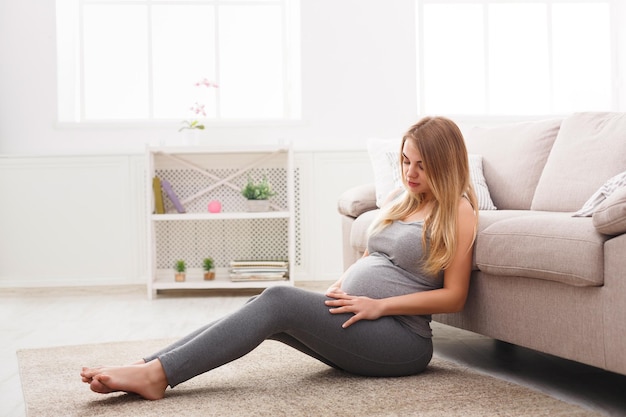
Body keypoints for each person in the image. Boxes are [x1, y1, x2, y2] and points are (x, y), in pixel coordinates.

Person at [80, 116, 478, 400]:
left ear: (445, 164)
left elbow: (454, 296)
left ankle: (157, 374)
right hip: (359, 319)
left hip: (402, 342)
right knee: (264, 308)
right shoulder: (399, 199)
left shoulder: (457, 211)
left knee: (278, 299)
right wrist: (344, 283)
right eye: (406, 161)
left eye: (422, 166)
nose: (410, 173)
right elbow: (374, 256)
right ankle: (148, 364)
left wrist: (380, 305)